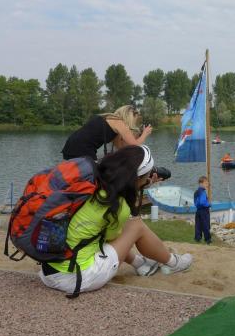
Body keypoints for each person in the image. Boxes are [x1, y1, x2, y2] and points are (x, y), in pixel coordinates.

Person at [39, 145, 193, 294]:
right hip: (76, 278)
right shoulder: (116, 205)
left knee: (106, 230)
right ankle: (174, 263)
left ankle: (141, 264)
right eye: (146, 176)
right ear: (135, 179)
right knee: (136, 226)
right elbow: (113, 237)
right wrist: (137, 189)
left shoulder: (91, 184)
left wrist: (139, 183)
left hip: (50, 270)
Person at [61, 105, 152, 161]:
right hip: (82, 149)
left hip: (71, 145)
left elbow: (121, 147)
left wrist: (138, 135)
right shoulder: (120, 123)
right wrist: (145, 133)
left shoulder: (109, 119)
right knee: (93, 176)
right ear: (130, 117)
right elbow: (135, 146)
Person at [194, 176, 211, 244]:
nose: (207, 185)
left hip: (198, 210)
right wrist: (208, 204)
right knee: (206, 225)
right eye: (206, 183)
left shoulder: (196, 192)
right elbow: (202, 202)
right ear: (201, 183)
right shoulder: (203, 192)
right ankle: (207, 239)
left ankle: (197, 238)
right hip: (204, 211)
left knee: (198, 225)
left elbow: (195, 202)